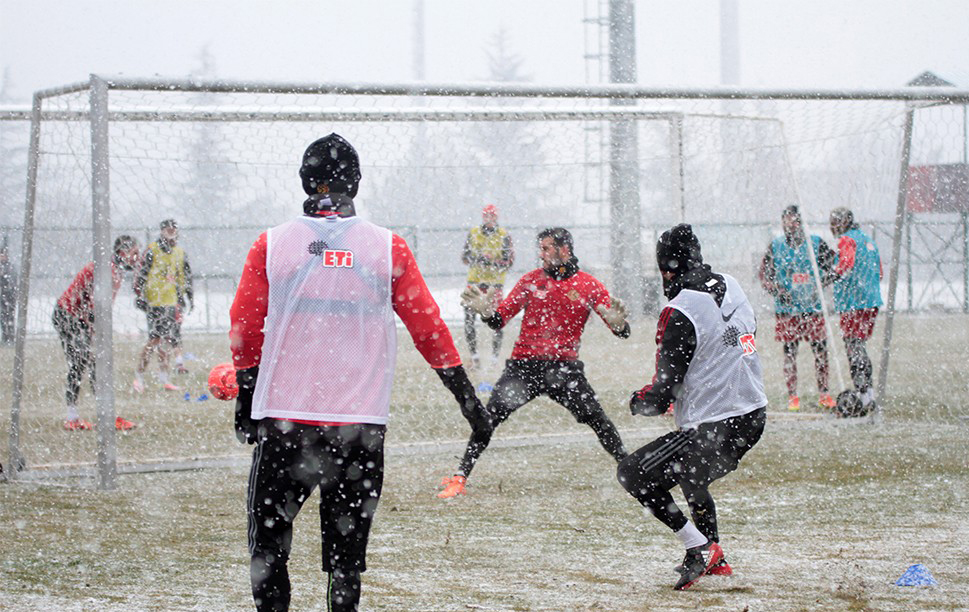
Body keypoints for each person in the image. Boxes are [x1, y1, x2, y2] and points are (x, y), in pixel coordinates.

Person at [229, 133, 490, 612]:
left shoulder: (271, 244)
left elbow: (245, 328)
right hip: (359, 428)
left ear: (304, 180)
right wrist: (468, 401)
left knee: (268, 548)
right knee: (345, 560)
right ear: (357, 182)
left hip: (287, 421)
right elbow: (429, 328)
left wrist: (247, 398)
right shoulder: (387, 248)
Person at [617, 224, 767, 591]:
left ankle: (698, 546)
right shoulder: (733, 284)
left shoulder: (680, 308)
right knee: (692, 476)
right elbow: (740, 339)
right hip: (753, 414)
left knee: (633, 474)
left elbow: (661, 393)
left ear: (667, 269)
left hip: (714, 425)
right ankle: (715, 557)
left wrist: (640, 400)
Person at [439, 226, 631, 499]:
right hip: (523, 368)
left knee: (598, 419)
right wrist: (486, 312)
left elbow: (621, 330)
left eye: (546, 248)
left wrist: (620, 324)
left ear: (564, 250)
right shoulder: (531, 281)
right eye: (540, 248)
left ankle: (630, 470)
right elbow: (499, 321)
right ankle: (459, 476)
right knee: (488, 419)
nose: (541, 255)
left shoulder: (588, 285)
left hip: (565, 370)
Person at [53, 235, 141, 431]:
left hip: (82, 319)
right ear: (122, 253)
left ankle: (106, 415)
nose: (137, 258)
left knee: (95, 365)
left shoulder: (113, 270)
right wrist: (98, 331)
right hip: (69, 316)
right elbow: (94, 308)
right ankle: (72, 418)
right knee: (80, 363)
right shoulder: (106, 270)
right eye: (134, 253)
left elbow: (99, 310)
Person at [758, 205, 837, 412]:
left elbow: (833, 268)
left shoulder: (816, 244)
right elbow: (764, 276)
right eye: (786, 221)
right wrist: (776, 289)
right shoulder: (776, 247)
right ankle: (793, 396)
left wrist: (821, 286)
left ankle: (824, 394)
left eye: (793, 221)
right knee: (790, 353)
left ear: (801, 223)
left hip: (813, 309)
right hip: (788, 310)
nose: (790, 225)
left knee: (820, 352)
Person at [828, 207, 882, 413]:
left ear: (844, 222)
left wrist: (829, 277)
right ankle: (869, 394)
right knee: (860, 346)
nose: (831, 227)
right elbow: (880, 271)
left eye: (834, 222)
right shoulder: (868, 240)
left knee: (853, 348)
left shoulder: (846, 240)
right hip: (871, 301)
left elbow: (846, 264)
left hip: (854, 303)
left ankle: (862, 394)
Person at [132, 218, 193, 392]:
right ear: (161, 231)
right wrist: (140, 294)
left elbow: (184, 277)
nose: (171, 232)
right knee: (154, 340)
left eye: (173, 229)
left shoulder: (179, 252)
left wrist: (186, 297)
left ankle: (164, 379)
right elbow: (140, 273)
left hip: (172, 302)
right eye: (167, 229)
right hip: (155, 303)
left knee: (167, 341)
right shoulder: (152, 250)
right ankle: (139, 378)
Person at [461, 204, 514, 369]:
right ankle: (474, 356)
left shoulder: (504, 235)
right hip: (475, 283)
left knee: (497, 320)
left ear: (496, 218)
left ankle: (494, 358)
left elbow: (509, 261)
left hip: (494, 284)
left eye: (492, 216)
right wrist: (478, 258)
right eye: (486, 216)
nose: (489, 219)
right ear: (483, 217)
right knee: (469, 319)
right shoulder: (474, 233)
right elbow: (464, 257)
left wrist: (492, 262)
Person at [0, 239, 17, 346]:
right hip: (2, 296)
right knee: (3, 318)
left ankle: (10, 337)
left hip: (9, 296)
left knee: (9, 316)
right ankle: (5, 337)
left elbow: (13, 281)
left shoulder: (9, 267)